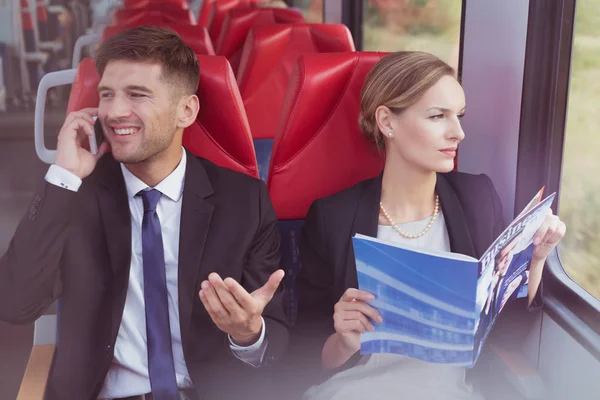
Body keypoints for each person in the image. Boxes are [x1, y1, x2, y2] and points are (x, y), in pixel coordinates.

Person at [0, 26, 288, 400]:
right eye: (107, 95)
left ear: (186, 110)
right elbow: (15, 303)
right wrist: (62, 177)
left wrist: (248, 332)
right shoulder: (75, 195)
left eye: (137, 95)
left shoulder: (243, 202)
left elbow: (277, 338)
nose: (115, 112)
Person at [295, 51, 566, 400]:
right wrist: (344, 340)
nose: (459, 133)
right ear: (387, 122)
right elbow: (301, 360)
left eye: (460, 116)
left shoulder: (477, 198)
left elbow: (506, 334)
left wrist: (538, 257)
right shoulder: (331, 216)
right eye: (438, 116)